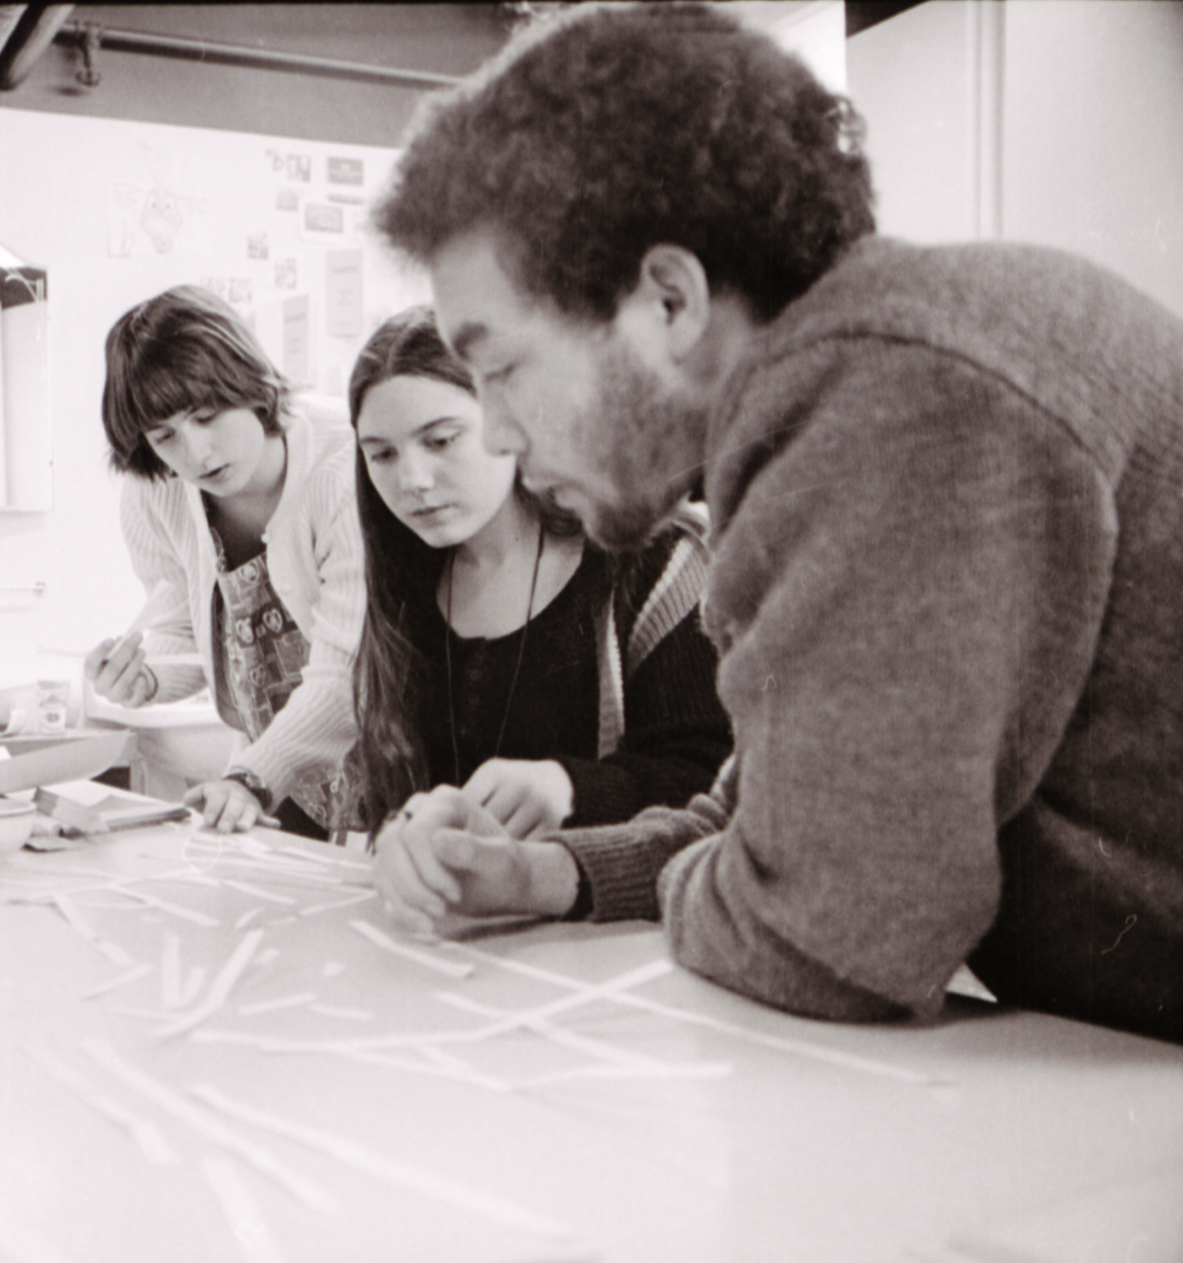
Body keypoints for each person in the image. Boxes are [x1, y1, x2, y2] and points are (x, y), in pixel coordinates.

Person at [369, 1, 1183, 1043]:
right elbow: (768, 822)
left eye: (501, 364)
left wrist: (757, 879)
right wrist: (548, 871)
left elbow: (826, 935)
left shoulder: (888, 398)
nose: (494, 429)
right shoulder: (863, 367)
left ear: (666, 299)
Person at [345, 305, 730, 850]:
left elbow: (713, 787)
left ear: (511, 421)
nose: (413, 480)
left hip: (613, 927)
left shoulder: (650, 560)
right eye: (381, 454)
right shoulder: (406, 584)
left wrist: (571, 788)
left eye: (441, 440)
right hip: (455, 925)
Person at [86, 285, 364, 835]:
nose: (196, 454)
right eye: (165, 436)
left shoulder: (342, 465)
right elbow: (185, 624)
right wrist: (145, 676)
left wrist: (251, 776)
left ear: (252, 386)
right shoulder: (158, 489)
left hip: (377, 759)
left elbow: (347, 672)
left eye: (208, 416)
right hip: (274, 780)